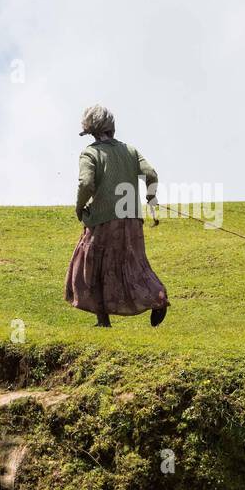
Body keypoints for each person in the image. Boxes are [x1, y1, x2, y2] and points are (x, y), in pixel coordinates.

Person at [65, 104, 169, 328]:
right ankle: (158, 298)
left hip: (102, 219)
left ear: (91, 131)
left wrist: (79, 207)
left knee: (93, 266)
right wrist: (151, 197)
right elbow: (151, 174)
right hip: (131, 220)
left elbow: (86, 183)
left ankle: (103, 320)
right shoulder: (130, 151)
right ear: (112, 128)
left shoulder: (90, 153)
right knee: (133, 264)